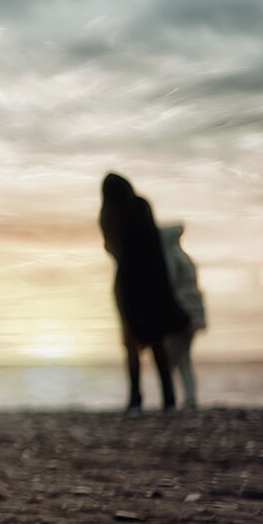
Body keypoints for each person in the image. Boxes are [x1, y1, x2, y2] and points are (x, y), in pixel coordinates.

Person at [99, 173, 189, 414]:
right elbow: (153, 245)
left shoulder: (109, 213)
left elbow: (110, 247)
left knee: (131, 343)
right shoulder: (139, 206)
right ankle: (168, 399)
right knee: (156, 341)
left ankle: (135, 399)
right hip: (149, 282)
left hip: (128, 283)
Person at [160, 224, 206, 410]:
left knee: (172, 358)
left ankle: (171, 397)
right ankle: (189, 398)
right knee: (185, 358)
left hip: (180, 312)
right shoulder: (185, 257)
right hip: (193, 312)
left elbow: (168, 285)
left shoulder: (172, 258)